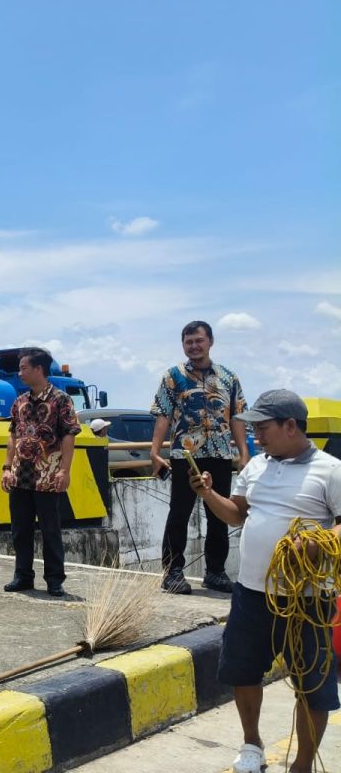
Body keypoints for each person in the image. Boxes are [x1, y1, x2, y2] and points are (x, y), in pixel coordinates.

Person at [188, 389, 341, 773]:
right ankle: (252, 743)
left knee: (313, 686)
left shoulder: (330, 470)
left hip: (307, 600)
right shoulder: (255, 466)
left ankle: (302, 764)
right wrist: (208, 495)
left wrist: (318, 543)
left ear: (291, 426)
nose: (256, 434)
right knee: (243, 670)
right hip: (252, 594)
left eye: (263, 426)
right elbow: (237, 515)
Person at [150, 320, 249, 594]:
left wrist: (244, 453)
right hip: (185, 454)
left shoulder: (229, 377)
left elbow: (238, 415)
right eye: (188, 342)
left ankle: (215, 572)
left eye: (198, 341)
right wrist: (155, 450)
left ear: (210, 342)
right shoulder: (174, 376)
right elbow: (163, 414)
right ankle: (172, 572)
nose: (193, 346)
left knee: (219, 514)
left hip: (219, 452)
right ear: (183, 345)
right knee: (179, 513)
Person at [0, 347, 81, 597]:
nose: (20, 372)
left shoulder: (61, 400)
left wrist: (64, 471)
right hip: (20, 475)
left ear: (39, 369)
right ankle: (22, 576)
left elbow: (69, 436)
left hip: (48, 476)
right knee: (20, 530)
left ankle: (55, 580)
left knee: (50, 530)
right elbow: (13, 436)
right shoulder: (20, 402)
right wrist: (6, 467)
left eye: (24, 367)